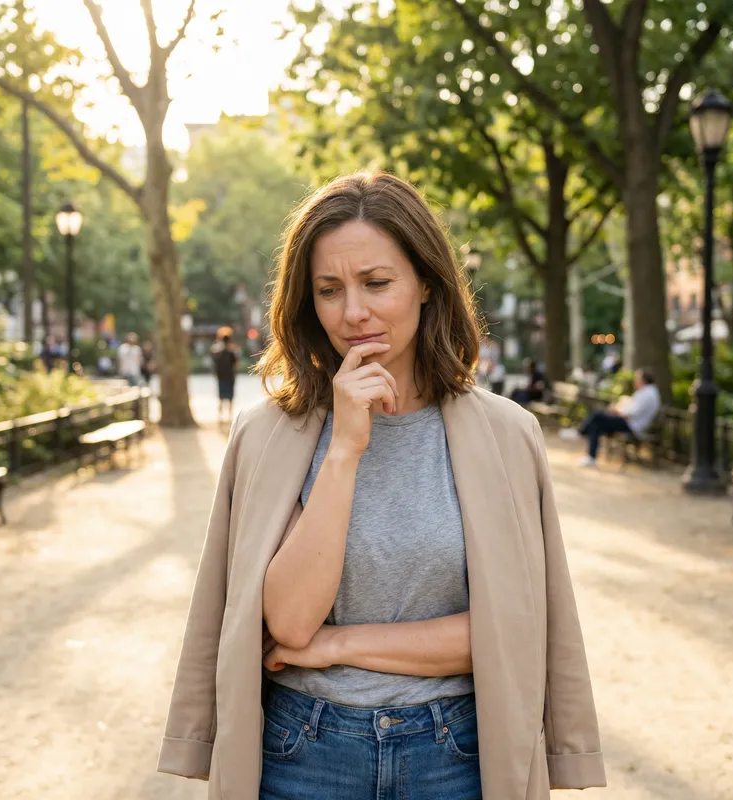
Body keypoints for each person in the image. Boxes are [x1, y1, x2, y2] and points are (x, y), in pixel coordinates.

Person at [157, 173, 605, 800]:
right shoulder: (269, 436)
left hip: (457, 755)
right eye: (329, 290)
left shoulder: (506, 435)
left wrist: (339, 643)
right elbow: (288, 623)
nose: (354, 312)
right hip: (303, 754)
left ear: (426, 282)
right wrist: (344, 449)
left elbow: (510, 629)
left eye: (376, 282)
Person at [562, 368, 661, 467]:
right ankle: (591, 458)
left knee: (597, 416)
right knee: (596, 425)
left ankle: (580, 433)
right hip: (630, 423)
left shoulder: (647, 394)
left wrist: (616, 411)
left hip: (632, 425)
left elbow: (631, 413)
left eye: (637, 378)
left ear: (642, 380)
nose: (635, 380)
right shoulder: (648, 391)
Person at [211, 333, 238, 427]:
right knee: (230, 399)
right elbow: (236, 364)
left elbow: (214, 364)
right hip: (230, 378)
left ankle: (220, 418)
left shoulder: (217, 352)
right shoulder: (232, 352)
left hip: (221, 378)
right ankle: (229, 418)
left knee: (221, 399)